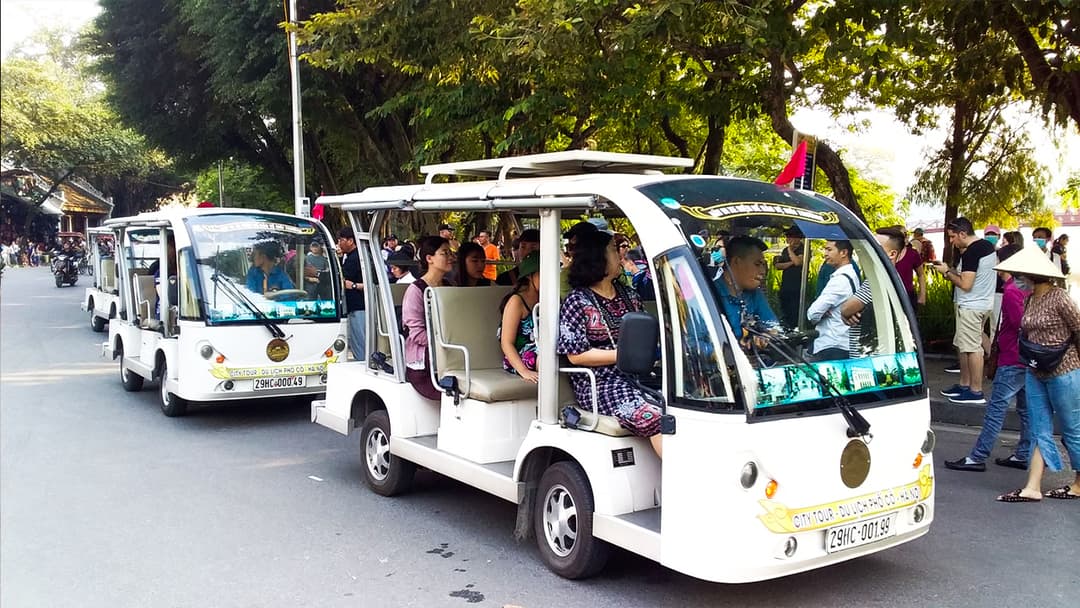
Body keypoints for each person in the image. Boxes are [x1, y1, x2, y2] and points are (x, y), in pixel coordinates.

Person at [556, 230, 662, 457]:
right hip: (601, 383)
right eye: (614, 251)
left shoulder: (629, 295)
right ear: (598, 258)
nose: (620, 256)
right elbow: (576, 356)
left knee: (683, 410)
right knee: (657, 418)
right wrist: (623, 355)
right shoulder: (578, 301)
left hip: (639, 378)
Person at [993, 245, 1080, 502]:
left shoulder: (1060, 297)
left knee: (1071, 429)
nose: (1016, 278)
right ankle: (1032, 486)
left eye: (1019, 273)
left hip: (1064, 370)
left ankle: (1078, 483)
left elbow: (1078, 329)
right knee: (1038, 428)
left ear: (1029, 275)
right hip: (1035, 370)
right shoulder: (1031, 298)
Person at [944, 244, 1032, 472]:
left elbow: (1020, 325)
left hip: (1012, 358)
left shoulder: (1012, 291)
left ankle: (978, 456)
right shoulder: (1025, 288)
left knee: (996, 410)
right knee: (1024, 410)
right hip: (1024, 359)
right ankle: (1022, 453)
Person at [933, 217, 996, 405]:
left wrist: (946, 272)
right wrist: (951, 270)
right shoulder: (986, 247)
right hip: (980, 303)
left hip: (972, 305)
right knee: (965, 345)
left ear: (962, 234)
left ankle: (975, 391)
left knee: (972, 348)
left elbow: (965, 284)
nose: (951, 241)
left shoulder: (972, 252)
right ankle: (965, 384)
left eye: (953, 237)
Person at [401, 236, 454, 400]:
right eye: (445, 253)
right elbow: (416, 333)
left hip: (451, 355)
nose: (450, 257)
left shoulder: (450, 287)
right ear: (429, 258)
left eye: (450, 252)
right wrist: (444, 343)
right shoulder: (415, 290)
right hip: (426, 364)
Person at [713, 236, 778, 350]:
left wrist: (766, 336)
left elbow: (773, 326)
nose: (763, 271)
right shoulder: (711, 294)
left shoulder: (755, 294)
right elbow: (693, 343)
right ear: (736, 262)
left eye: (764, 265)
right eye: (757, 264)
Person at [807, 240, 859, 360]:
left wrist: (820, 314)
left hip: (832, 343)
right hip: (845, 342)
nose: (825, 253)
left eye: (829, 249)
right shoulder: (852, 274)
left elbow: (813, 313)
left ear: (844, 252)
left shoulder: (839, 280)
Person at [498, 251, 540, 382]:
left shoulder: (550, 298)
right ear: (529, 276)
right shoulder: (516, 301)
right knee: (547, 360)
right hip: (520, 356)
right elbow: (506, 342)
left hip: (546, 349)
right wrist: (524, 371)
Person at [337, 226, 366, 360]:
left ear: (350, 241)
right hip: (356, 306)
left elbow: (341, 278)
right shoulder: (353, 256)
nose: (339, 244)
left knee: (359, 341)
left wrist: (353, 285)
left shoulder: (355, 259)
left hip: (358, 306)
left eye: (341, 240)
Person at [773, 226, 805, 329]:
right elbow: (778, 266)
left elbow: (798, 262)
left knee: (794, 311)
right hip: (786, 285)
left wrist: (791, 251)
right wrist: (791, 262)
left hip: (797, 286)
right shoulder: (785, 250)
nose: (788, 239)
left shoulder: (803, 248)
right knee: (785, 309)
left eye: (790, 237)